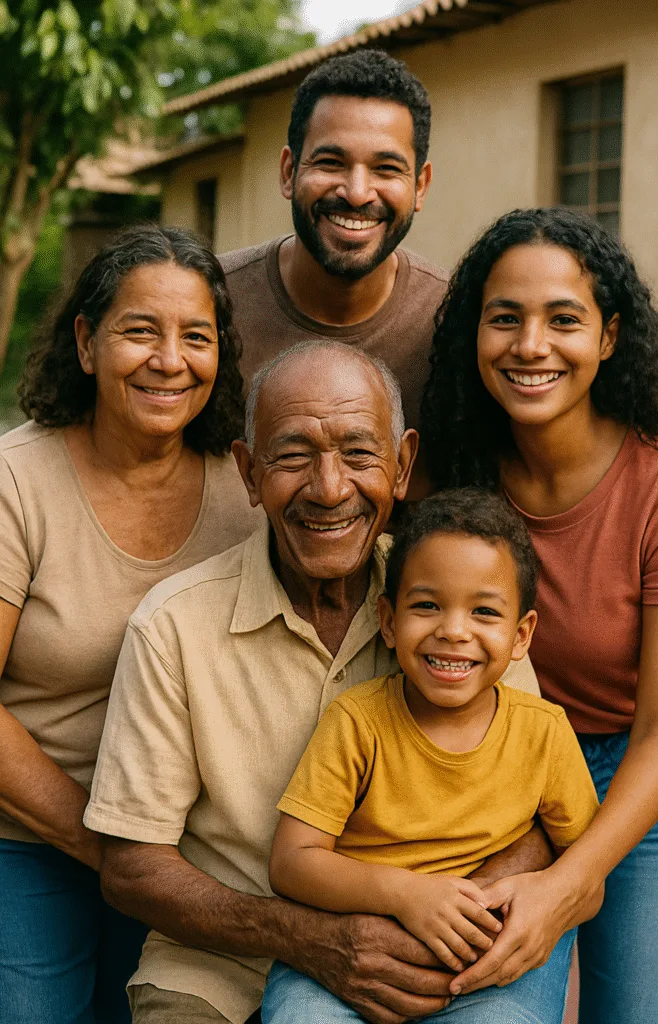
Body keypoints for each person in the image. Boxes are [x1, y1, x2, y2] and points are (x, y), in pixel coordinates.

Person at [85, 342, 544, 1024]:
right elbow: (132, 867)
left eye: (359, 453)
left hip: (434, 963)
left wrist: (437, 927)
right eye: (293, 456)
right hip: (219, 966)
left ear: (401, 465)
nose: (328, 489)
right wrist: (317, 941)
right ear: (247, 472)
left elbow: (540, 811)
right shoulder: (173, 626)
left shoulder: (460, 601)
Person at [420, 208, 658, 1023]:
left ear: (607, 338)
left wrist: (567, 885)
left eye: (562, 320)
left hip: (637, 780)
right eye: (504, 319)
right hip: (490, 767)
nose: (530, 346)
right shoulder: (452, 468)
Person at [0, 224, 262, 1024]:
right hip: (35, 839)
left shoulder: (245, 485)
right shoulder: (19, 479)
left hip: (191, 852)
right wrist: (106, 846)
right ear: (85, 342)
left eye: (196, 336)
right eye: (139, 331)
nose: (169, 359)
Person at [263, 488, 600, 1024]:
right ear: (389, 622)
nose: (454, 630)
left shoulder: (544, 733)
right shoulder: (359, 722)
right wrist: (406, 896)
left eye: (484, 611)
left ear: (521, 636)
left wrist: (534, 899)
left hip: (487, 974)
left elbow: (586, 875)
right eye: (427, 605)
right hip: (344, 969)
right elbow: (292, 862)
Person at [219, 48, 447, 439]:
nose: (358, 194)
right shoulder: (213, 302)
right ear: (290, 172)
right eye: (330, 163)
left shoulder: (454, 320)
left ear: (420, 186)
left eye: (386, 169)